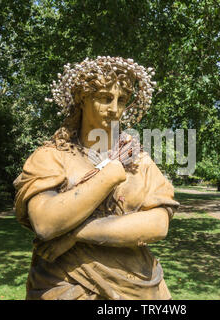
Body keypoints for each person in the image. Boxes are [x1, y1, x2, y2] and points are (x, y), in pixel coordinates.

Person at [13, 57, 179, 300]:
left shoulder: (139, 161)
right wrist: (109, 176)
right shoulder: (52, 156)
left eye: (121, 100)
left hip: (139, 287)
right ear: (82, 99)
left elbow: (158, 224)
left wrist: (74, 234)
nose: (114, 109)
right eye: (104, 97)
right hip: (65, 283)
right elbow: (46, 223)